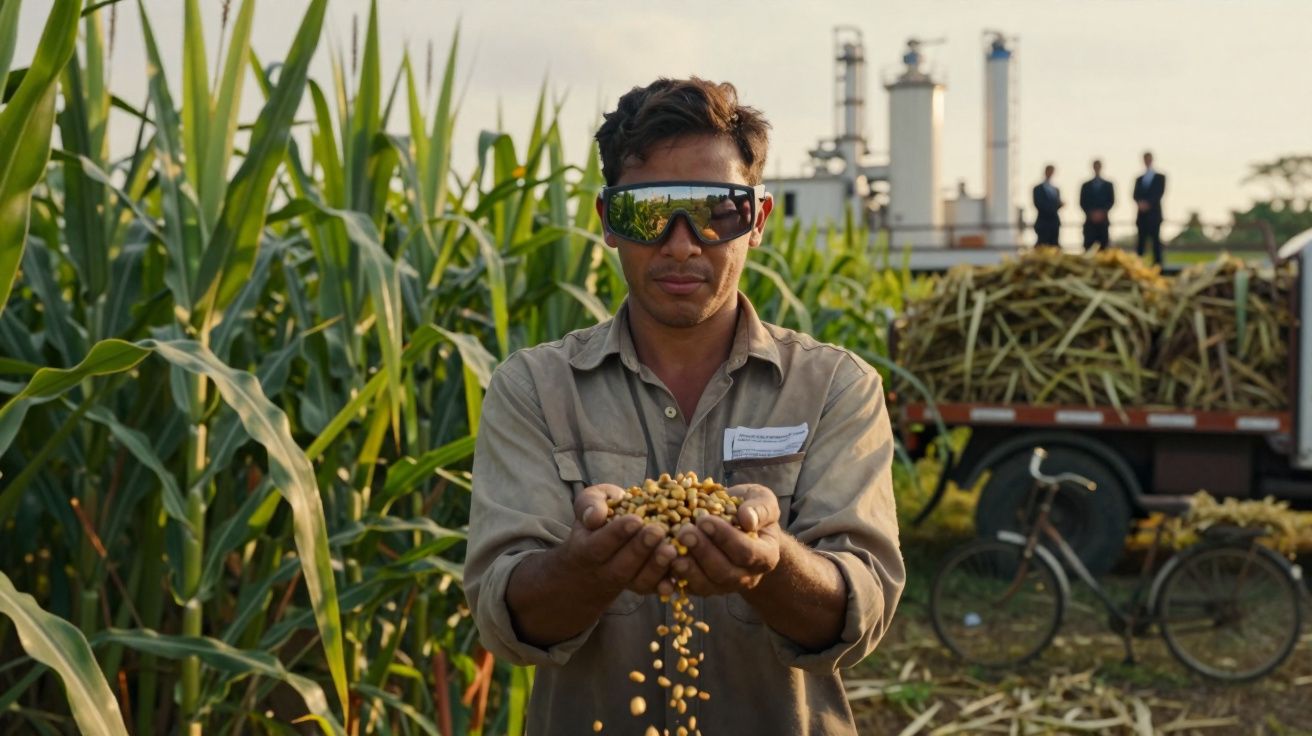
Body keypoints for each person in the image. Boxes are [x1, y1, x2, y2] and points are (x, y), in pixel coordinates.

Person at [465, 77, 904, 736]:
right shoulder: (534, 390)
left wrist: (772, 562)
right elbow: (507, 618)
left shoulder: (835, 387)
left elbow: (860, 610)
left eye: (715, 212)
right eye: (649, 212)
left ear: (756, 221)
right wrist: (586, 565)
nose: (680, 244)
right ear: (609, 221)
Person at [1133, 151, 1166, 265]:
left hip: (1154, 215)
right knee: (1140, 243)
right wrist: (1140, 203)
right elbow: (1135, 195)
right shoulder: (1139, 179)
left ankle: (1158, 267)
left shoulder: (1160, 177)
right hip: (1142, 216)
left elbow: (1159, 193)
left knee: (1156, 243)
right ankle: (1138, 267)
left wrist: (1148, 204)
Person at [1079, 159, 1115, 250]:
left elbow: (1111, 201)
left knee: (1104, 248)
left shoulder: (1108, 185)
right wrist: (1091, 214)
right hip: (1090, 223)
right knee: (1088, 248)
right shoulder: (1085, 186)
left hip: (1103, 222)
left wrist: (1102, 213)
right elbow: (1082, 202)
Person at [1032, 164, 1062, 247]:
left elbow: (1057, 204)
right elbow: (1038, 204)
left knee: (1054, 244)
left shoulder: (1055, 189)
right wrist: (1053, 207)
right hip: (1043, 222)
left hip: (1054, 222)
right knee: (1042, 244)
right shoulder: (1037, 189)